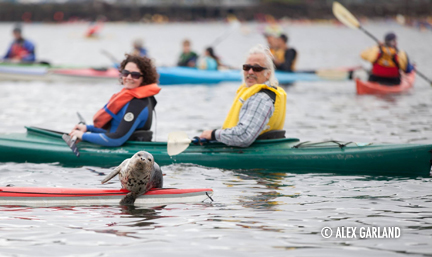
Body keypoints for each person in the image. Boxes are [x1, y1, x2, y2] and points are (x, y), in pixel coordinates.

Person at [199, 45, 287, 147]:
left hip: (253, 152)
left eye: (256, 68)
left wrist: (213, 134)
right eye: (247, 67)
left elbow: (244, 136)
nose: (250, 72)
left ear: (268, 74)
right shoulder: (255, 94)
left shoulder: (261, 98)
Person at [69, 54, 161, 147]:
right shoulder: (131, 98)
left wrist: (82, 136)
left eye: (135, 75)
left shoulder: (138, 104)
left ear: (144, 78)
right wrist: (87, 128)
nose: (128, 77)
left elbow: (116, 139)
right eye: (125, 73)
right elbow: (114, 130)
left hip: (132, 155)